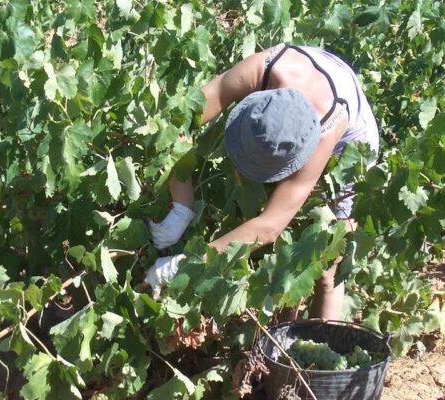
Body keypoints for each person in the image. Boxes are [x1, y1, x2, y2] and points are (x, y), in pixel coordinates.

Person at [144, 43, 380, 320]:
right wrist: (181, 206)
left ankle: (317, 351)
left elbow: (270, 227)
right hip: (312, 70)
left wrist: (182, 266)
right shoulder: (264, 67)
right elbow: (180, 126)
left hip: (350, 144)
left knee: (329, 268)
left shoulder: (330, 129)